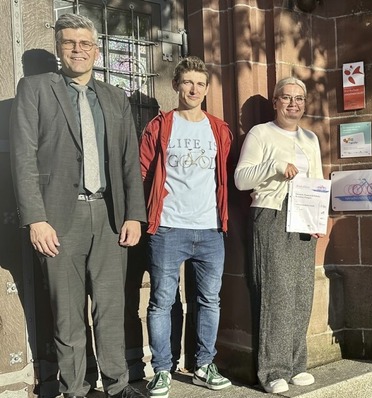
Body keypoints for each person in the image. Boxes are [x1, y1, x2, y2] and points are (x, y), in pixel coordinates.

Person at [9, 13, 146, 398]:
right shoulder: (35, 89)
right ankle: (76, 390)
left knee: (110, 309)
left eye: (85, 43)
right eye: (69, 42)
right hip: (57, 220)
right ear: (58, 47)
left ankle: (118, 386)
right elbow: (23, 158)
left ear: (97, 49)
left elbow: (128, 161)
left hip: (108, 216)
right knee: (67, 313)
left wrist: (134, 214)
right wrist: (36, 219)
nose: (78, 50)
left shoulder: (115, 96)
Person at [139, 56, 233, 398]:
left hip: (210, 229)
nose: (194, 89)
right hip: (168, 227)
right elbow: (143, 173)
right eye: (188, 82)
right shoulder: (160, 126)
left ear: (207, 89)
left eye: (201, 84)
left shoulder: (219, 130)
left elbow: (223, 178)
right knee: (163, 301)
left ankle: (204, 365)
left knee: (209, 300)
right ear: (177, 84)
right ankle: (163, 369)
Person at [234, 76, 323, 394]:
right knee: (276, 294)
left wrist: (318, 217)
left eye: (299, 98)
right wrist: (274, 165)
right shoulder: (260, 133)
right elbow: (241, 179)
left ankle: (296, 364)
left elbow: (317, 179)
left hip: (303, 216)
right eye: (287, 98)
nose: (293, 103)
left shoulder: (311, 138)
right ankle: (272, 371)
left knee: (301, 293)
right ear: (275, 102)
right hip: (271, 215)